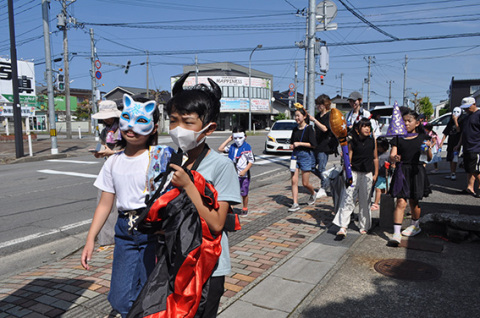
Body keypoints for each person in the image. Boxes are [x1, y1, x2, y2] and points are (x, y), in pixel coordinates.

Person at [129, 73, 242, 318]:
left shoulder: (221, 166)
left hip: (207, 266)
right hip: (170, 260)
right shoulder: (168, 159)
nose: (179, 129)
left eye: (188, 122)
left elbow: (217, 223)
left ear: (209, 128)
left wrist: (189, 186)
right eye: (173, 121)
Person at [81, 94, 159, 317]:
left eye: (141, 121)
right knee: (120, 297)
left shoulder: (160, 157)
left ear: (154, 128)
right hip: (124, 232)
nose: (131, 127)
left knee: (151, 293)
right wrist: (90, 239)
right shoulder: (113, 162)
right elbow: (105, 204)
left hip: (153, 231)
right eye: (126, 118)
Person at [388, 109, 432, 246]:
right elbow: (392, 155)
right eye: (404, 121)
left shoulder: (424, 138)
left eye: (409, 121)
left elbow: (429, 158)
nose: (406, 123)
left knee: (414, 201)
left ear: (417, 122)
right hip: (402, 170)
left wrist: (429, 148)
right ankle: (396, 233)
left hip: (416, 171)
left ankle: (415, 225)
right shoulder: (398, 137)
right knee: (401, 202)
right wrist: (395, 157)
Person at [333, 118, 378, 236]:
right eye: (364, 126)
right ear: (358, 129)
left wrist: (376, 173)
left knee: (365, 200)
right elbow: (349, 157)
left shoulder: (372, 140)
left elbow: (375, 158)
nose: (367, 128)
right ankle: (343, 226)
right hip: (353, 172)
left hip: (367, 172)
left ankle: (364, 225)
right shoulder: (352, 141)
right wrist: (346, 171)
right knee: (348, 197)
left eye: (369, 126)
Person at [91, 100, 122, 247]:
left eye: (108, 116)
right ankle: (106, 240)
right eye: (104, 117)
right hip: (109, 166)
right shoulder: (105, 131)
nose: (106, 119)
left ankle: (118, 236)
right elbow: (102, 145)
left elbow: (132, 149)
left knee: (121, 205)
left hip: (123, 166)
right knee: (104, 203)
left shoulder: (124, 128)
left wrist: (113, 152)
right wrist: (98, 152)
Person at [218, 126, 254, 215]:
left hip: (243, 174)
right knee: (231, 192)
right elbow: (220, 149)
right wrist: (228, 140)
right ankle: (231, 208)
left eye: (240, 138)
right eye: (235, 138)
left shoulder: (247, 148)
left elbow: (251, 161)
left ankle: (245, 207)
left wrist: (245, 170)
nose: (238, 140)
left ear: (245, 137)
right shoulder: (232, 147)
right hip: (232, 173)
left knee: (244, 192)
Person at [288, 105, 317, 212]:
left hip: (306, 155)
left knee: (305, 183)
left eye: (298, 116)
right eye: (295, 116)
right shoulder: (295, 129)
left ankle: (313, 193)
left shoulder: (309, 128)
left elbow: (313, 145)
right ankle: (295, 203)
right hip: (295, 156)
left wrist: (299, 143)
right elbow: (292, 142)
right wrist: (292, 146)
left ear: (304, 116)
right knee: (294, 181)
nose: (296, 118)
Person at [309, 94, 336, 198]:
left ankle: (323, 187)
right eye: (317, 104)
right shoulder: (317, 115)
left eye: (319, 104)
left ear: (325, 105)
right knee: (311, 166)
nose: (318, 106)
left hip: (325, 145)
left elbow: (325, 129)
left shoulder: (329, 115)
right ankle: (327, 180)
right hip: (316, 144)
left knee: (321, 168)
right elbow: (316, 130)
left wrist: (314, 120)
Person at [455, 96, 480, 198]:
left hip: (477, 147)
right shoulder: (467, 117)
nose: (466, 109)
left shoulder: (479, 115)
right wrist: (458, 144)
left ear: (474, 104)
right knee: (469, 168)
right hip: (467, 146)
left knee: (476, 170)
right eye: (464, 108)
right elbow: (463, 133)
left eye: (468, 107)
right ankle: (470, 188)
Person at [439, 107, 462, 180]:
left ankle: (453, 173)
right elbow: (445, 133)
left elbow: (459, 131)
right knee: (450, 158)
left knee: (454, 158)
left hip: (457, 142)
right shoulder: (450, 122)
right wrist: (441, 142)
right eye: (454, 111)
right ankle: (451, 172)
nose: (454, 113)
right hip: (450, 142)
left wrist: (456, 120)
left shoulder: (461, 121)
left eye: (457, 112)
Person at [371, 137, 390, 211]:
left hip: (383, 175)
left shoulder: (388, 154)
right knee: (381, 190)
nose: (378, 148)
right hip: (378, 174)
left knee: (378, 189)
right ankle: (383, 202)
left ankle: (376, 204)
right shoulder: (377, 153)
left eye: (379, 147)